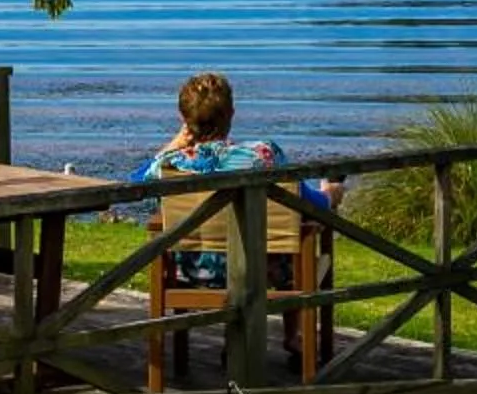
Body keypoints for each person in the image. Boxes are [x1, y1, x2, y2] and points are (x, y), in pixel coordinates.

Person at [136, 72, 341, 287]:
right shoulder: (264, 155)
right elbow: (309, 204)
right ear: (232, 113)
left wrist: (173, 144)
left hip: (191, 274)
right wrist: (331, 193)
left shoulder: (169, 164)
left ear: (182, 118)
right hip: (261, 273)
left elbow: (136, 185)